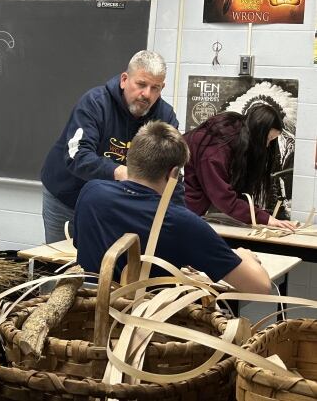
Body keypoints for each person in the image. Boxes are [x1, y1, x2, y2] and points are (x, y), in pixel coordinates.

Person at [74, 121, 271, 294]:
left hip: (87, 316)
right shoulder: (181, 222)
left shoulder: (91, 193)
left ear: (129, 159)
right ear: (174, 174)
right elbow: (260, 287)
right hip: (147, 326)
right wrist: (243, 256)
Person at [41, 50, 179, 243]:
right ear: (124, 80)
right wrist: (122, 173)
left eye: (155, 88)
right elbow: (77, 155)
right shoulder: (95, 103)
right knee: (61, 266)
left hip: (112, 204)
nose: (146, 94)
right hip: (67, 196)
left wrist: (182, 221)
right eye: (141, 84)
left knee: (102, 265)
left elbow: (172, 174)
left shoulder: (165, 117)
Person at [183, 105, 297, 230]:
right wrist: (264, 218)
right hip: (178, 211)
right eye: (268, 138)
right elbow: (223, 197)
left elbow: (232, 193)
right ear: (257, 132)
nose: (267, 145)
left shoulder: (238, 137)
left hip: (190, 212)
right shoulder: (216, 147)